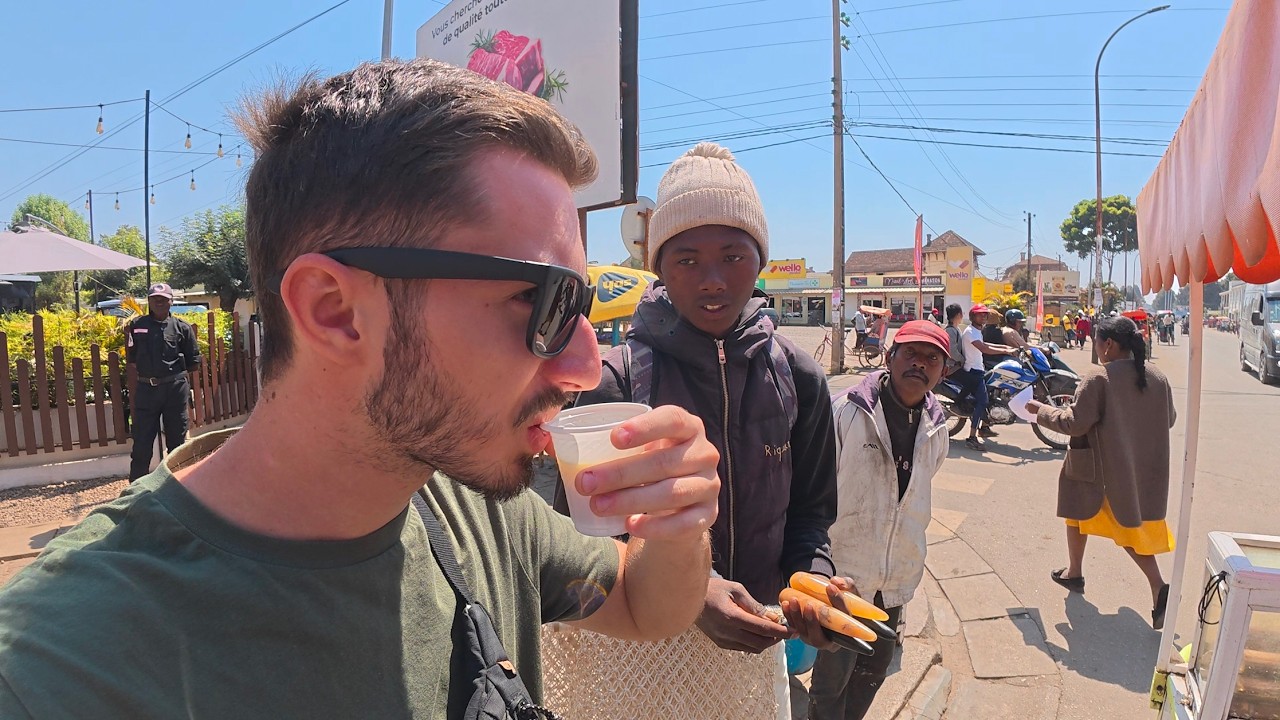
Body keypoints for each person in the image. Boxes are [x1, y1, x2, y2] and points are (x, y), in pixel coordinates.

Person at [0, 59, 726, 719]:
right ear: (334, 311)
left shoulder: (470, 502)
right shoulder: (61, 672)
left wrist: (678, 524)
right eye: (541, 303)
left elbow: (641, 604)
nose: (586, 366)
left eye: (583, 305)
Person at [555, 141, 848, 660]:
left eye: (733, 257)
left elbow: (810, 516)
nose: (713, 281)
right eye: (687, 260)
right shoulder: (616, 383)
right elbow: (578, 542)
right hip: (642, 654)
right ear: (660, 268)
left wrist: (813, 580)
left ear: (760, 260)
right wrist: (693, 592)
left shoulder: (798, 377)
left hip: (760, 648)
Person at [811, 321, 951, 720]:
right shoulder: (847, 411)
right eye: (911, 353)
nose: (919, 364)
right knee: (832, 678)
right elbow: (816, 486)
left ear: (943, 372)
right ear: (890, 357)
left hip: (895, 581)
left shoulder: (938, 426)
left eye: (932, 358)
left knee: (874, 670)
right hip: (844, 574)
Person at [1027, 316, 1177, 629]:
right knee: (1078, 513)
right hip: (1138, 468)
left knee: (1120, 528)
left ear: (1108, 344)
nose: (1094, 347)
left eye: (1096, 341)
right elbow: (1170, 418)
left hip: (1101, 471)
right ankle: (1074, 572)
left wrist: (1041, 411)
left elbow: (1074, 423)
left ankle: (1158, 586)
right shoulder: (1158, 376)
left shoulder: (1099, 377)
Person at [124, 282, 201, 480]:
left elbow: (193, 362)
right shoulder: (137, 326)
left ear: (171, 302)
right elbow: (132, 358)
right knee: (142, 442)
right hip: (146, 390)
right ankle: (136, 488)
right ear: (149, 301)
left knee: (177, 443)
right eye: (154, 299)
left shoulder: (182, 328)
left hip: (174, 390)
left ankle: (178, 484)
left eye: (163, 299)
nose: (158, 302)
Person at [959, 305, 1016, 451]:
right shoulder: (970, 332)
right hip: (973, 372)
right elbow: (984, 348)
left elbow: (985, 344)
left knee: (991, 393)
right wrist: (1006, 351)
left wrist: (1006, 348)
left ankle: (984, 427)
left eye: (985, 315)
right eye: (980, 315)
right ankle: (972, 437)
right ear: (973, 316)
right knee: (982, 401)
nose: (983, 317)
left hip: (979, 368)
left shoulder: (977, 331)